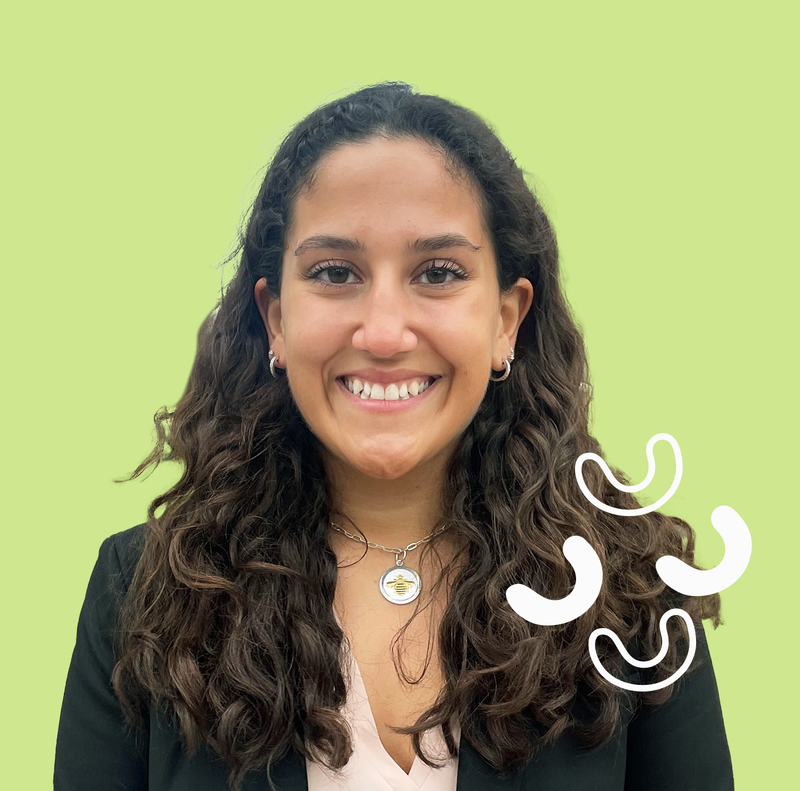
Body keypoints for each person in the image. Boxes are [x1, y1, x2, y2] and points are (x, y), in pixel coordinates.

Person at [54, 82, 734, 791]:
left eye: (438, 272)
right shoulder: (142, 595)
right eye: (334, 272)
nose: (382, 331)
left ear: (507, 319)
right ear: (276, 319)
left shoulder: (634, 598)